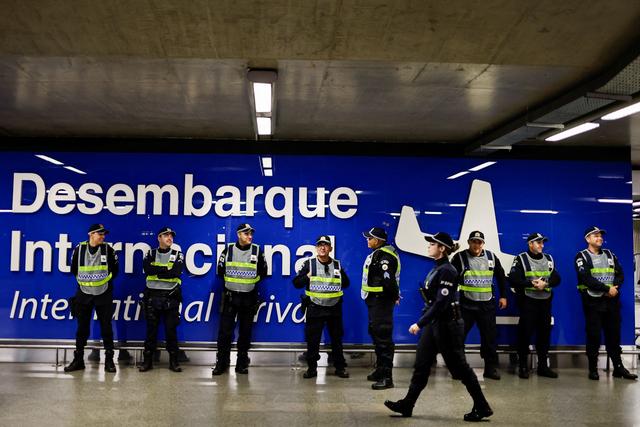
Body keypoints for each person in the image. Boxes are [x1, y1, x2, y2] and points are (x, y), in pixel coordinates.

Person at [384, 232, 493, 422]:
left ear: (442, 248)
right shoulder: (436, 269)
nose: (429, 246)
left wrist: (420, 323)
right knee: (421, 364)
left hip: (448, 326)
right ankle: (407, 404)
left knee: (460, 368)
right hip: (435, 324)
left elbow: (441, 303)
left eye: (432, 244)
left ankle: (482, 406)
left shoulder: (448, 271)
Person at [575, 226, 637, 380]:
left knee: (614, 335)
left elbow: (620, 274)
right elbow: (586, 279)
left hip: (612, 302)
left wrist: (614, 287)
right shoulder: (581, 257)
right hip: (593, 302)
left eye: (600, 235)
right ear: (587, 239)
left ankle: (618, 368)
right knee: (594, 336)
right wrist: (606, 289)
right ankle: (593, 369)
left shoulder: (610, 254)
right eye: (595, 236)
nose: (599, 238)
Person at [451, 230, 507, 380]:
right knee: (459, 337)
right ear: (469, 242)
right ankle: (458, 368)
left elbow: (501, 277)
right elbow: (451, 279)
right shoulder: (460, 257)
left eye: (479, 242)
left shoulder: (491, 257)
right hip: (466, 305)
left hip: (486, 305)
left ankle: (491, 368)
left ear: (483, 243)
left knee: (489, 338)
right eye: (473, 241)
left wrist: (503, 296)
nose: (476, 245)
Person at [212, 223, 268, 375]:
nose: (250, 236)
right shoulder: (228, 250)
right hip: (230, 297)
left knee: (245, 332)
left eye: (251, 233)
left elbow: (263, 271)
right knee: (225, 333)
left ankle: (241, 363)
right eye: (246, 233)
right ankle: (222, 363)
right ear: (238, 234)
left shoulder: (257, 250)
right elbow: (220, 270)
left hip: (248, 299)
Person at [293, 235, 350, 379]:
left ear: (330, 248)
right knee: (313, 340)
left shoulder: (337, 265)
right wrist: (307, 276)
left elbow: (346, 283)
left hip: (334, 308)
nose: (322, 247)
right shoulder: (309, 264)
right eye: (320, 245)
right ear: (316, 248)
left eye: (325, 245)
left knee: (336, 340)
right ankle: (312, 369)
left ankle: (340, 368)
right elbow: (296, 283)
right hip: (315, 307)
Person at [64, 224, 119, 373]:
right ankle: (78, 360)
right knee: (82, 329)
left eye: (104, 234)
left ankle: (109, 360)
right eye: (99, 233)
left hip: (104, 293)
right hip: (83, 293)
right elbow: (74, 269)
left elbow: (115, 270)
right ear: (91, 234)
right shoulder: (79, 249)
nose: (103, 236)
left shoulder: (108, 250)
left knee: (106, 328)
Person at [508, 233, 561, 379]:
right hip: (528, 303)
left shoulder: (549, 259)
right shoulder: (521, 258)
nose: (541, 245)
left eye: (542, 243)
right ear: (530, 244)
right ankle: (523, 366)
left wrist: (547, 284)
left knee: (544, 335)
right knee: (524, 335)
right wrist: (531, 283)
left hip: (545, 302)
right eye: (538, 243)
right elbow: (513, 279)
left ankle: (543, 367)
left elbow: (557, 278)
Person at [139, 227, 184, 373]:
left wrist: (158, 270)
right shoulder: (150, 254)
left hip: (171, 298)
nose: (170, 237)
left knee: (171, 331)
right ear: (159, 238)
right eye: (166, 235)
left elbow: (176, 272)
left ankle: (174, 361)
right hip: (152, 297)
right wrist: (166, 270)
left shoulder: (178, 254)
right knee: (151, 332)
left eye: (171, 235)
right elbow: (148, 270)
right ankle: (148, 361)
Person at [361, 227, 401, 390]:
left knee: (383, 338)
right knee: (376, 334)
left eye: (369, 238)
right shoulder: (378, 254)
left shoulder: (385, 257)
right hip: (375, 301)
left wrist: (394, 296)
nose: (367, 240)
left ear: (377, 240)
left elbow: (389, 281)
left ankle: (387, 377)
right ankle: (380, 370)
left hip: (382, 302)